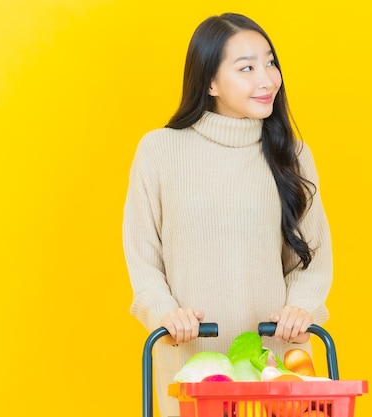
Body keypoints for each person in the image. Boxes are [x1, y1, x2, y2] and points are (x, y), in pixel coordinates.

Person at [122, 12, 333, 416]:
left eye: (270, 62)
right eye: (247, 68)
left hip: (276, 368)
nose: (267, 78)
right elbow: (143, 256)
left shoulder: (293, 157)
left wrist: (302, 306)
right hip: (192, 364)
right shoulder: (160, 151)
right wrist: (165, 313)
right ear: (211, 82)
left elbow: (313, 257)